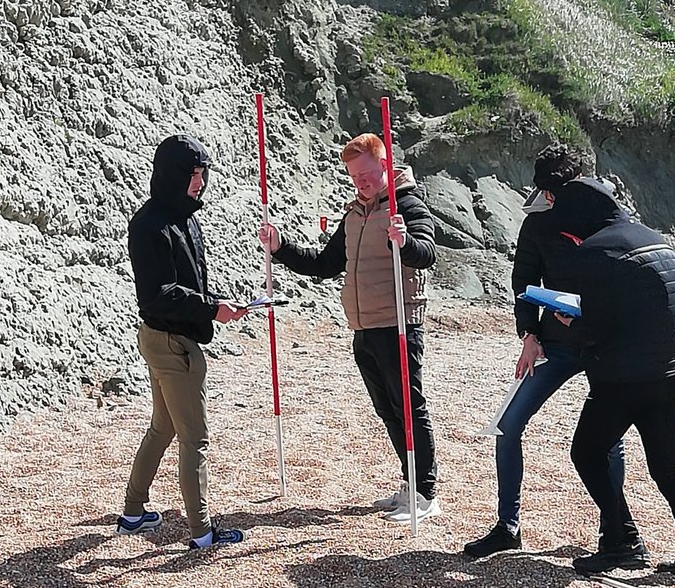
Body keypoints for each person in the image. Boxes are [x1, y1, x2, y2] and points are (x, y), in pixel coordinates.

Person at [464, 145, 635, 560]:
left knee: (608, 441)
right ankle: (508, 526)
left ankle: (614, 533)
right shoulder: (536, 223)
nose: (550, 200)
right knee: (507, 424)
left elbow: (627, 278)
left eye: (556, 191)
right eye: (545, 192)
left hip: (600, 345)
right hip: (554, 345)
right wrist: (528, 335)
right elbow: (522, 280)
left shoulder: (607, 217)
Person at [259, 132, 439, 521]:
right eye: (355, 177)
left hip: (398, 323)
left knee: (409, 407)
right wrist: (281, 248)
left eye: (368, 175)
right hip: (364, 326)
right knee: (388, 410)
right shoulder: (355, 214)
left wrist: (404, 242)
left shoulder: (407, 205)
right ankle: (410, 482)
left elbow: (426, 254)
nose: (362, 183)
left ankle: (426, 493)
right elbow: (325, 264)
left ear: (385, 165)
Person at [545, 179, 675, 581]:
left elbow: (598, 327)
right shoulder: (659, 240)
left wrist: (572, 321)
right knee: (669, 466)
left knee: (586, 453)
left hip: (621, 380)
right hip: (670, 371)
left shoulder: (595, 250)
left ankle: (623, 540)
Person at [117, 133, 248, 550]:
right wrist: (211, 308)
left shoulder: (184, 217)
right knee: (195, 438)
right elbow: (159, 293)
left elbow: (185, 283)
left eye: (203, 173)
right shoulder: (150, 224)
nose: (200, 181)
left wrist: (212, 305)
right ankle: (202, 533)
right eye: (193, 173)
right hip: (172, 343)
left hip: (166, 339)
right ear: (174, 174)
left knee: (163, 427)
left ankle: (134, 512)